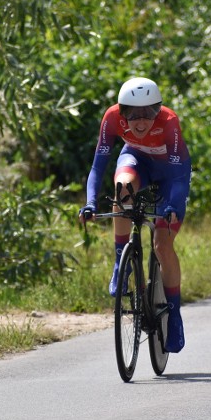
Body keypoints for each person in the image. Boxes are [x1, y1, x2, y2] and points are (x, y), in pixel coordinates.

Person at [78, 77, 192, 353]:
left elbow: (179, 176)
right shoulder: (111, 118)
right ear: (121, 112)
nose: (141, 122)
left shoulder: (169, 121)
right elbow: (98, 167)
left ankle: (174, 316)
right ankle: (122, 262)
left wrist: (173, 205)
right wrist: (91, 202)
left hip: (169, 174)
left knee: (162, 245)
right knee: (122, 189)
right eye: (133, 115)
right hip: (136, 161)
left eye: (148, 113)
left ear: (158, 110)